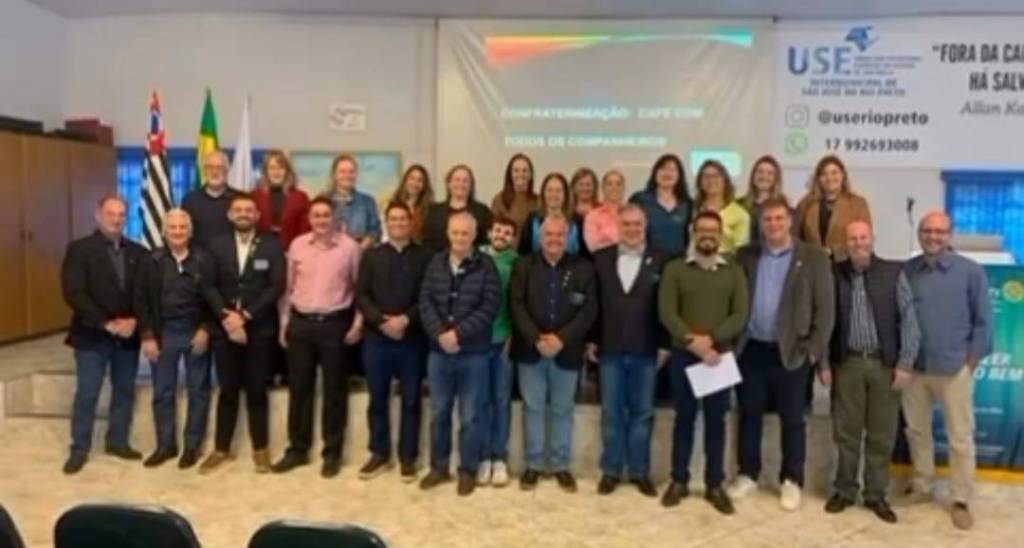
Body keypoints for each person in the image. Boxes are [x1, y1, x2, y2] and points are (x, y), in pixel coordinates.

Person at [726, 197, 834, 511]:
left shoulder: (813, 257)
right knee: (749, 414)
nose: (773, 224)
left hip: (792, 353)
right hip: (751, 349)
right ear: (760, 224)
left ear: (790, 222)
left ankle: (791, 479)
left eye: (778, 218)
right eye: (767, 219)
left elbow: (826, 311)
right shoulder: (745, 256)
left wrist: (812, 353)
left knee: (792, 419)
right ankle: (748, 474)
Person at [899, 211, 993, 530]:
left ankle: (960, 499)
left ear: (950, 235)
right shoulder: (908, 270)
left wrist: (971, 360)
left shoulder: (970, 271)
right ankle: (922, 485)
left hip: (954, 369)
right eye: (927, 231)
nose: (933, 237)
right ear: (920, 234)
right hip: (915, 368)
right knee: (916, 431)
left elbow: (983, 321)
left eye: (940, 231)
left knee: (960, 437)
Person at [824, 220, 920, 523]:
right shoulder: (834, 274)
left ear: (872, 239)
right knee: (846, 434)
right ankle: (844, 490)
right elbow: (824, 322)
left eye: (863, 237)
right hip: (848, 364)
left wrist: (905, 363)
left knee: (882, 435)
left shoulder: (893, 273)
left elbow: (909, 321)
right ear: (845, 243)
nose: (858, 243)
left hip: (884, 366)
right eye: (852, 239)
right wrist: (824, 364)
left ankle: (876, 494)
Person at [658, 210, 749, 514]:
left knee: (716, 422)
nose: (707, 235)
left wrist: (711, 339)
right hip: (684, 355)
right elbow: (667, 312)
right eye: (702, 230)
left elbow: (740, 314)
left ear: (720, 234)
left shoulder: (733, 271)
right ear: (693, 233)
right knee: (683, 418)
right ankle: (679, 480)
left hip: (718, 358)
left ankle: (714, 484)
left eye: (713, 230)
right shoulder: (675, 269)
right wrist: (692, 341)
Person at [271, 197, 363, 478]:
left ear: (334, 217)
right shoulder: (297, 245)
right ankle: (297, 449)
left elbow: (360, 288)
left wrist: (358, 323)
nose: (322, 220)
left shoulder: (350, 247)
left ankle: (332, 453)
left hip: (335, 324)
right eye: (317, 215)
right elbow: (288, 288)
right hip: (301, 324)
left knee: (335, 391)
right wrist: (284, 323)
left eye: (326, 215)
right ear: (310, 219)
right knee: (299, 389)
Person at [509, 216, 598, 493]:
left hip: (567, 351)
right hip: (530, 350)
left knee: (563, 409)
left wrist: (562, 338)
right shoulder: (523, 265)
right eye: (549, 234)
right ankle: (534, 465)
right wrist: (536, 338)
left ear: (568, 237)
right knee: (533, 408)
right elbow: (516, 305)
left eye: (560, 235)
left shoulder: (583, 268)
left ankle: (561, 466)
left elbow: (589, 310)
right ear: (540, 237)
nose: (554, 239)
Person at [199, 193, 286, 474]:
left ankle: (261, 450)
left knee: (257, 390)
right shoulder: (215, 244)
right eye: (238, 210)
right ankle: (220, 449)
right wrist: (227, 318)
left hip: (259, 329)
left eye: (249, 210)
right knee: (228, 390)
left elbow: (276, 286)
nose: (244, 214)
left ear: (257, 216)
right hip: (224, 328)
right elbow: (207, 285)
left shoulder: (271, 245)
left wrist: (245, 316)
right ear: (230, 215)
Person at [60, 196, 147, 474]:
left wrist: (135, 321)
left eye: (121, 215)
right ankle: (79, 448)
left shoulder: (138, 252)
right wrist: (106, 323)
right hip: (92, 335)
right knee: (88, 394)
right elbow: (74, 293)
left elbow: (144, 293)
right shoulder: (79, 249)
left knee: (124, 391)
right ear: (98, 215)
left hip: (128, 336)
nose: (116, 219)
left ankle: (117, 442)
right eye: (111, 214)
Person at [417, 211, 501, 496]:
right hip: (439, 353)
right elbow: (425, 301)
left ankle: (468, 471)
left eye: (465, 233)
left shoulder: (486, 265)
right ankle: (438, 468)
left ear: (474, 235)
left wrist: (458, 334)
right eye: (455, 232)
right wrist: (440, 333)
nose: (460, 238)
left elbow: (490, 306)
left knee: (470, 417)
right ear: (448, 233)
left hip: (473, 354)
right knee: (439, 413)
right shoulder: (435, 263)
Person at [591, 205, 668, 497]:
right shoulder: (601, 258)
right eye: (627, 224)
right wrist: (591, 340)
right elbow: (594, 305)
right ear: (618, 227)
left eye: (637, 224)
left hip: (646, 350)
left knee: (642, 413)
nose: (632, 229)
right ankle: (610, 470)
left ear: (645, 227)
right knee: (611, 412)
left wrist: (664, 344)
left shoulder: (661, 260)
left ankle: (639, 471)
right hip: (609, 348)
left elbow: (665, 306)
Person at [134, 209, 217, 470]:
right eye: (173, 227)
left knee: (198, 391)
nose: (178, 231)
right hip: (163, 333)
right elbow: (141, 300)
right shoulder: (151, 261)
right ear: (163, 231)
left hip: (195, 331)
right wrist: (147, 335)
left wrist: (205, 329)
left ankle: (191, 447)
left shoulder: (204, 259)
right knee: (163, 392)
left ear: (190, 231)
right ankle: (165, 445)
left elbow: (215, 298)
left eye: (183, 227)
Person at [356, 201, 432, 483]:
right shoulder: (372, 256)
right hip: (377, 339)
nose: (398, 223)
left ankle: (408, 457)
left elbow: (427, 295)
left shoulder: (425, 256)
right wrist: (381, 321)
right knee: (377, 398)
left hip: (412, 339)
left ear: (411, 223)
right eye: (393, 219)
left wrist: (405, 320)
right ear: (386, 223)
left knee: (411, 400)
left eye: (403, 219)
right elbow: (361, 294)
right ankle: (379, 453)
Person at [476, 215, 519, 487]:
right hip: (476, 343)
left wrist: (512, 337)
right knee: (480, 401)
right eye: (498, 230)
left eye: (507, 232)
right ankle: (482, 458)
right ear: (489, 232)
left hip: (503, 342)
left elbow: (519, 304)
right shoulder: (475, 257)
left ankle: (499, 458)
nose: (501, 235)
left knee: (501, 401)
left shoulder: (517, 263)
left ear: (513, 238)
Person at [796, 155, 871, 261]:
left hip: (845, 264)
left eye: (834, 173)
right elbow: (797, 238)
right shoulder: (805, 204)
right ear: (818, 179)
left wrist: (832, 251)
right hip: (813, 264)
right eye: (824, 174)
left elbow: (864, 239)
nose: (830, 178)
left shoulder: (857, 204)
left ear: (843, 175)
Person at [629, 154, 693, 257]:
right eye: (663, 168)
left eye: (672, 170)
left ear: (679, 176)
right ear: (655, 173)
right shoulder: (639, 199)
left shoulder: (687, 204)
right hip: (645, 261)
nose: (667, 173)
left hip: (677, 262)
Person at [422, 164, 493, 254]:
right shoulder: (434, 211)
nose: (461, 184)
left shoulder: (482, 211)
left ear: (471, 186)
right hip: (437, 260)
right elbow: (427, 242)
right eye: (457, 180)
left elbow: (486, 243)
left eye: (465, 181)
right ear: (448, 184)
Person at [252, 150, 310, 253]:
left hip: (292, 252)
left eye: (280, 168)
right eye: (272, 168)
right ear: (265, 172)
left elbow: (305, 231)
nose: (276, 172)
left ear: (287, 171)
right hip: (261, 252)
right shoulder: (255, 196)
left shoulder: (300, 197)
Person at [182, 150, 240, 249]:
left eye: (219, 168)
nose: (214, 172)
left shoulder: (239, 199)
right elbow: (185, 232)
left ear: (227, 171)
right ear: (204, 171)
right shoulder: (190, 200)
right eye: (209, 167)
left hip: (231, 256)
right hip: (199, 256)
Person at [518, 172, 586, 257]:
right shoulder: (532, 219)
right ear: (543, 193)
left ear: (565, 194)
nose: (553, 194)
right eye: (549, 190)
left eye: (558, 191)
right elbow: (523, 253)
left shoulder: (577, 220)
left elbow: (584, 255)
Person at [324, 153, 381, 250]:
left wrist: (359, 249)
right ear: (334, 175)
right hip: (329, 253)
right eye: (342, 171)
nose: (347, 175)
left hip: (360, 253)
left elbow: (374, 231)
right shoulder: (323, 200)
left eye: (351, 172)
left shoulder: (368, 201)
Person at [693, 160, 750, 254]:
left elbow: (741, 253)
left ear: (725, 181)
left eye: (716, 176)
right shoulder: (693, 209)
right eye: (706, 176)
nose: (711, 180)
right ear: (700, 182)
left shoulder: (740, 215)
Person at [739, 155, 792, 245]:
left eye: (770, 173)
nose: (764, 176)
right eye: (760, 172)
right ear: (753, 176)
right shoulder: (740, 205)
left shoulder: (784, 206)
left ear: (776, 179)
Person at [490, 153, 539, 243]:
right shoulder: (499, 200)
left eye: (524, 170)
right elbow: (494, 231)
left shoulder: (538, 201)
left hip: (530, 250)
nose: (520, 174)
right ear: (510, 174)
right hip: (506, 250)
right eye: (516, 170)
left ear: (530, 175)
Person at [583, 170, 627, 253]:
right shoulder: (592, 216)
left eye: (618, 184)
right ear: (603, 188)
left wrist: (606, 240)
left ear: (623, 188)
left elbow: (638, 242)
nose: (614, 187)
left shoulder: (631, 214)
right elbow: (593, 246)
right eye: (610, 184)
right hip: (603, 259)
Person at [389, 164, 434, 243]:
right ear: (405, 180)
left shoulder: (430, 209)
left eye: (420, 180)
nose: (415, 183)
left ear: (424, 185)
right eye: (412, 178)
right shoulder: (392, 205)